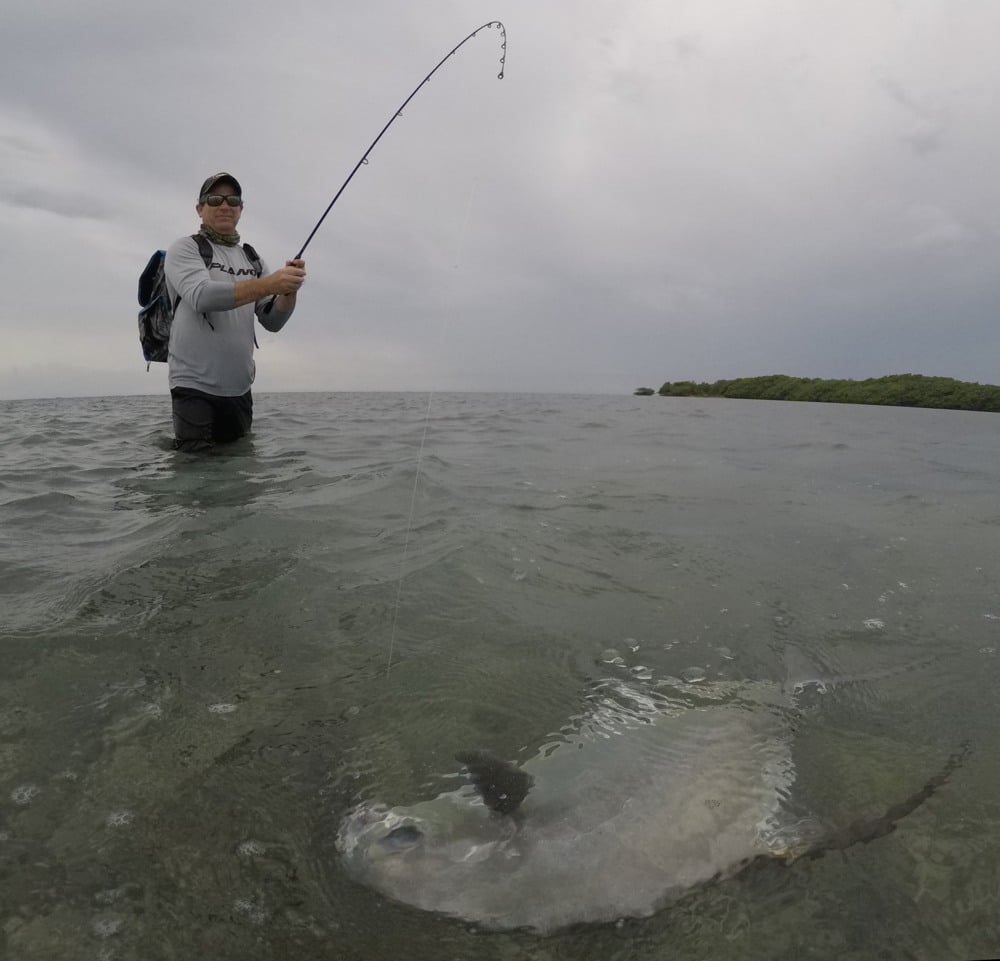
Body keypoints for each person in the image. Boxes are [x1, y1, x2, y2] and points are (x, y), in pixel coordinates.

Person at [164, 172, 306, 451]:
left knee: (238, 479)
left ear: (241, 209)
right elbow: (201, 295)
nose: (225, 205)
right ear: (200, 209)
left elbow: (272, 320)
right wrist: (269, 283)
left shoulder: (252, 258)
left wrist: (288, 291)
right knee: (196, 478)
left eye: (233, 200)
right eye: (215, 199)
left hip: (239, 390)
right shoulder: (185, 249)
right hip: (193, 387)